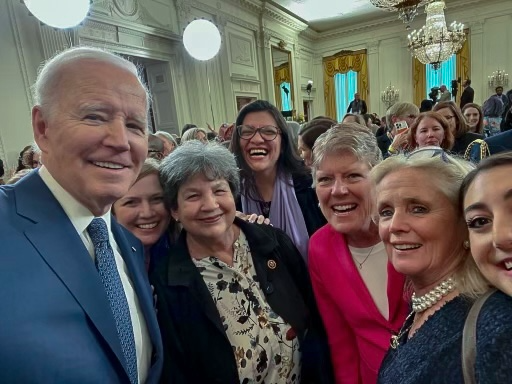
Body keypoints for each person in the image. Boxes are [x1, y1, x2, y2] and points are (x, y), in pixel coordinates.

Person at [0, 46, 163, 383]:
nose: (121, 141)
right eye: (94, 116)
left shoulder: (127, 243)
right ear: (43, 127)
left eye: (135, 125)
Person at [152, 141, 334, 383]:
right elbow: (178, 372)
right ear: (175, 210)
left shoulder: (273, 243)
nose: (210, 205)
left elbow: (315, 323)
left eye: (219, 190)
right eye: (193, 196)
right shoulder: (167, 283)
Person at [371, 148, 491, 383]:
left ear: (465, 222)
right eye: (386, 212)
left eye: (418, 209)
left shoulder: (493, 324)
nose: (395, 225)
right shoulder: (421, 305)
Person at [308, 124, 408, 384]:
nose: (338, 190)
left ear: (378, 178)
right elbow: (341, 342)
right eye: (325, 179)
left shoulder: (409, 229)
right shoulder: (320, 248)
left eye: (352, 176)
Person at [231, 100, 326, 261]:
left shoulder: (310, 187)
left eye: (268, 131)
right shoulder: (229, 195)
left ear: (283, 142)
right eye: (247, 131)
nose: (257, 139)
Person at [113, 158, 176, 273]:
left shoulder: (187, 255)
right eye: (131, 202)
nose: (147, 213)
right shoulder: (102, 266)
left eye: (157, 199)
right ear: (112, 211)